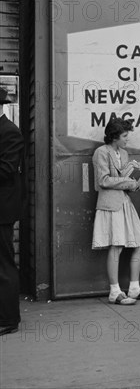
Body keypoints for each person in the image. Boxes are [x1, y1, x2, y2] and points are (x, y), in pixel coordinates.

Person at [92, 118, 140, 305]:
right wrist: (128, 181)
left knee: (139, 243)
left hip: (125, 203)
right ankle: (114, 291)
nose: (128, 139)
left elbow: (122, 182)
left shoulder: (124, 153)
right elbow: (103, 180)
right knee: (116, 246)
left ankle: (134, 288)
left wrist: (133, 178)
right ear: (114, 136)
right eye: (125, 136)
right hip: (110, 205)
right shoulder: (101, 152)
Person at [0, 87, 24, 336]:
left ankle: (8, 319)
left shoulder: (10, 132)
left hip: (2, 210)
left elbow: (6, 170)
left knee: (3, 265)